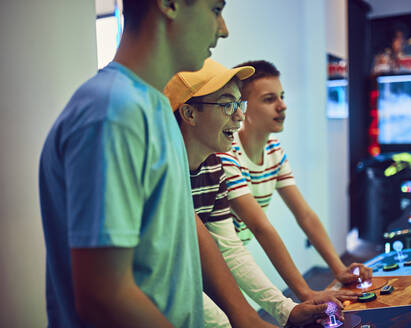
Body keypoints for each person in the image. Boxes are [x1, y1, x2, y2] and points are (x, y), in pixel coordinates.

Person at [39, 1, 272, 327]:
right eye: (215, 9)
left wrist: (244, 315)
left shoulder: (156, 108)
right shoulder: (113, 112)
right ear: (170, 5)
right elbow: (103, 296)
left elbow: (185, 221)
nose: (223, 29)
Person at [165, 58, 351, 327]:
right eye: (227, 104)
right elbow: (259, 227)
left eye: (238, 104)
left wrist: (285, 308)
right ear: (189, 114)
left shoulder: (214, 165)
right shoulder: (174, 167)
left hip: (203, 268)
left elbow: (230, 248)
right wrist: (297, 297)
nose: (238, 115)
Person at [217, 60, 373, 302]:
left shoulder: (274, 149)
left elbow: (305, 216)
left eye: (282, 96)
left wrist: (339, 269)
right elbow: (259, 226)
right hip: (209, 262)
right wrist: (305, 292)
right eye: (269, 99)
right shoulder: (227, 152)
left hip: (232, 258)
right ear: (243, 108)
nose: (282, 106)